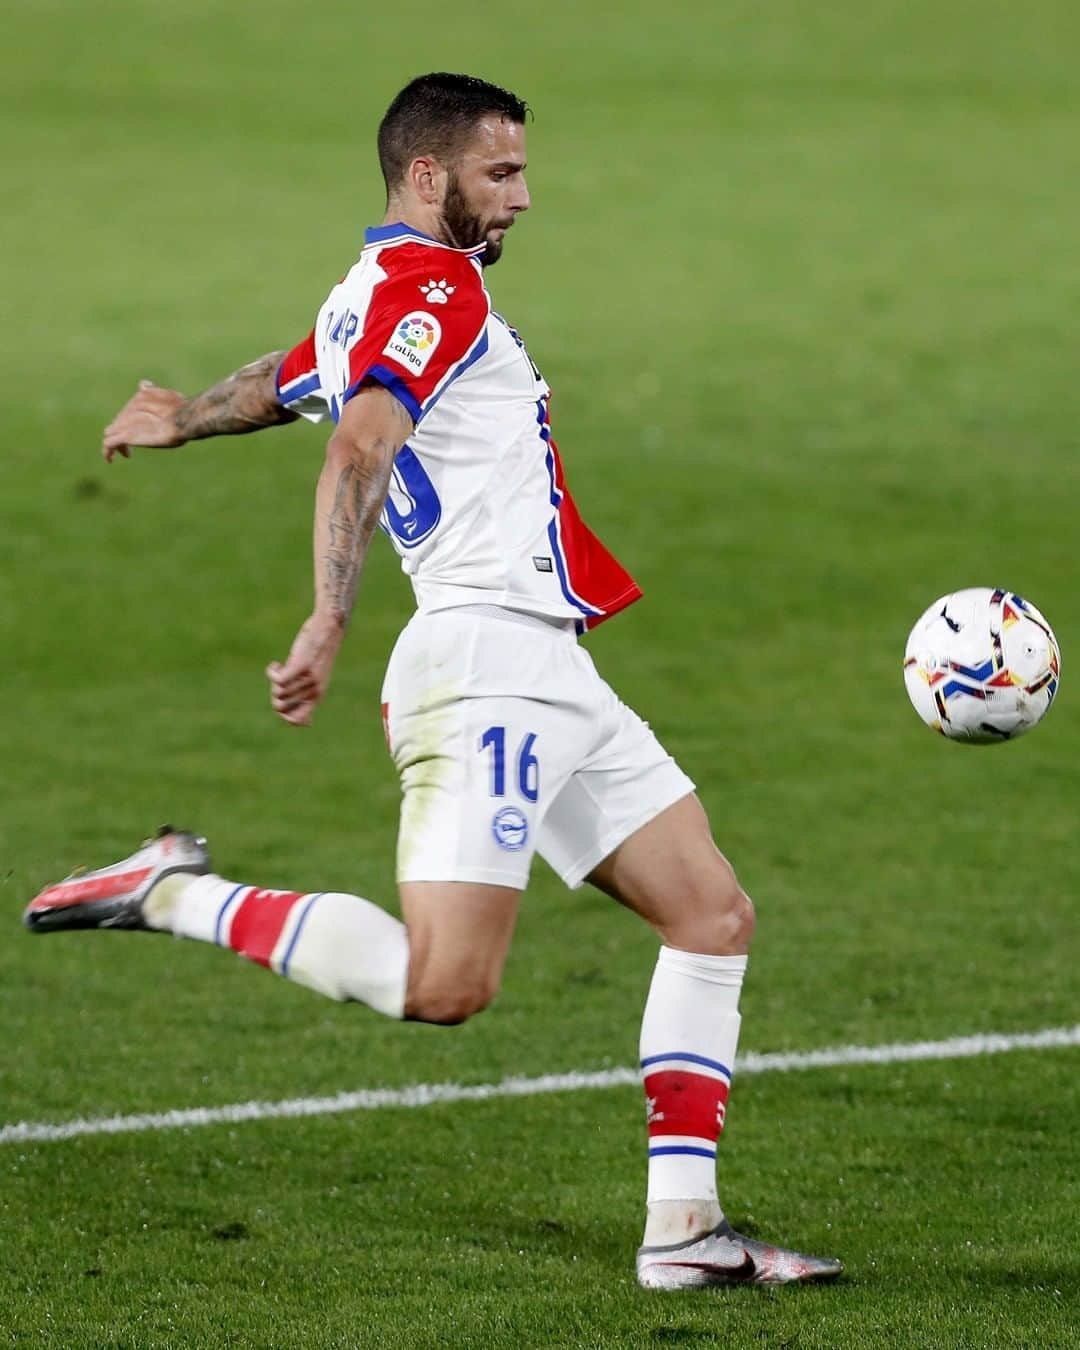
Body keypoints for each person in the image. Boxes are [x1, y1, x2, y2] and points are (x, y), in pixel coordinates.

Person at [24, 73, 841, 1288]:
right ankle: (167, 893)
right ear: (426, 177)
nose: (521, 197)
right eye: (499, 175)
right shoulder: (436, 290)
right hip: (483, 664)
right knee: (445, 982)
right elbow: (358, 440)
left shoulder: (371, 297)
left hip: (549, 667)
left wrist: (182, 418)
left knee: (711, 916)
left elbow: (286, 379)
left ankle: (683, 1232)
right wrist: (327, 616)